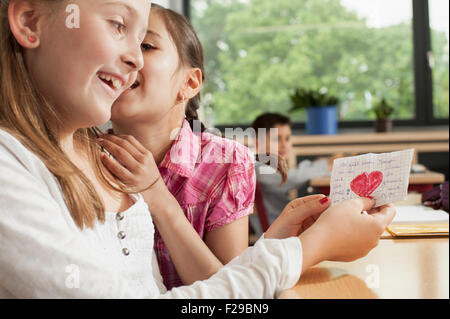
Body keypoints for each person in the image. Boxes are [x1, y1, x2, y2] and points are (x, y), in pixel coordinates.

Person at [0, 0, 395, 298]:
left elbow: (205, 287)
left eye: (145, 44)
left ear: (189, 83)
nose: (134, 60)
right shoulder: (69, 157)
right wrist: (308, 249)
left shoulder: (92, 154)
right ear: (29, 22)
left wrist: (281, 246)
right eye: (118, 25)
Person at [99, 4, 255, 290]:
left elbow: (230, 295)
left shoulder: (226, 162)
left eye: (146, 45)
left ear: (189, 82)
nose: (124, 55)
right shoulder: (83, 155)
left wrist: (158, 197)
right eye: (115, 41)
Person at [250, 113, 342, 236]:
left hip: (286, 227)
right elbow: (293, 177)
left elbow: (295, 173)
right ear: (258, 144)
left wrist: (321, 164)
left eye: (287, 138)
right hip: (279, 233)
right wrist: (326, 165)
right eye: (277, 139)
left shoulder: (265, 168)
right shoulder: (259, 170)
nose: (284, 144)